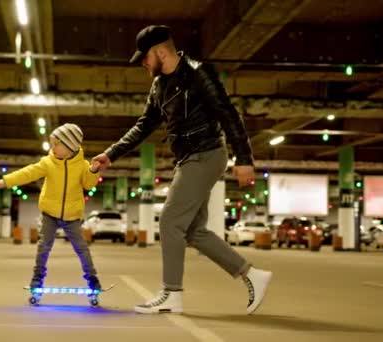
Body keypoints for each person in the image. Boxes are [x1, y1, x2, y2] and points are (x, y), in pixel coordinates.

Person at [92, 25, 272, 315]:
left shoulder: (199, 73)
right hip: (188, 159)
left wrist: (244, 158)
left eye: (145, 58)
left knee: (169, 222)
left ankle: (171, 294)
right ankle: (252, 275)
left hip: (206, 154)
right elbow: (144, 125)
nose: (142, 63)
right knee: (192, 231)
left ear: (161, 51)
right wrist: (111, 154)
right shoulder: (159, 85)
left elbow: (227, 113)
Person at [0, 123, 103, 290]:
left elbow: (88, 184)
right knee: (44, 247)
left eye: (56, 144)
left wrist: (93, 171)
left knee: (82, 248)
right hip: (50, 213)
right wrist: (6, 181)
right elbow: (28, 173)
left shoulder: (82, 166)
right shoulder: (48, 163)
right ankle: (37, 278)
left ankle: (93, 278)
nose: (53, 148)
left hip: (72, 216)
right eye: (52, 144)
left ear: (70, 146)